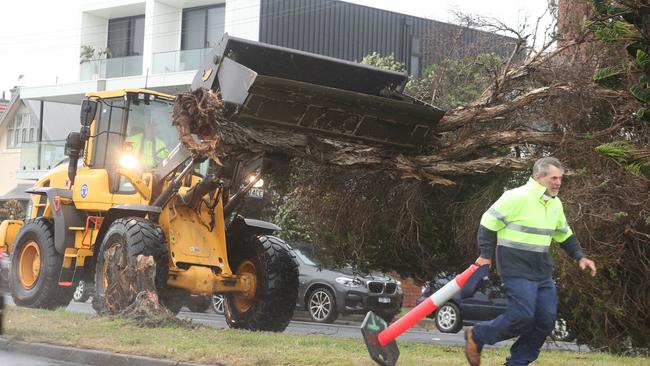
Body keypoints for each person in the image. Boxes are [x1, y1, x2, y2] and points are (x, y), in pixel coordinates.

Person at [464, 157, 597, 366]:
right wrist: (486, 255)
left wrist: (580, 256)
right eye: (554, 178)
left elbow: (564, 235)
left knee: (545, 320)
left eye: (560, 178)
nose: (558, 182)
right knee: (522, 316)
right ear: (538, 177)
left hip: (541, 271)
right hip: (515, 267)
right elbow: (488, 222)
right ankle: (477, 335)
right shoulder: (516, 197)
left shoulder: (555, 204)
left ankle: (517, 362)